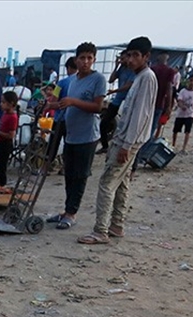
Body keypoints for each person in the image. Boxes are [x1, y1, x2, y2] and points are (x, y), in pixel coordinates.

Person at [78, 37, 156, 246]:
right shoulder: (139, 77)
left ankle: (100, 230)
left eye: (135, 56)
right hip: (125, 138)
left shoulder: (147, 78)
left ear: (146, 57)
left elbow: (141, 115)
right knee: (121, 182)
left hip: (129, 140)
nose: (130, 60)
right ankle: (116, 225)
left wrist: (127, 145)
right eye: (129, 55)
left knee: (107, 182)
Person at [49, 41, 106, 230]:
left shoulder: (98, 80)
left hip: (87, 136)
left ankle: (72, 213)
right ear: (76, 59)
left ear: (94, 60)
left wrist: (73, 101)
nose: (86, 62)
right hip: (70, 134)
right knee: (69, 174)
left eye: (90, 58)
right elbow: (60, 101)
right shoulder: (71, 80)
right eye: (82, 58)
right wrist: (52, 105)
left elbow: (98, 107)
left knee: (80, 176)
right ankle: (67, 210)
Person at [99, 51, 135, 152]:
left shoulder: (133, 71)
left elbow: (128, 85)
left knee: (123, 125)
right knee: (104, 122)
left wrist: (114, 91)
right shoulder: (122, 69)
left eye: (123, 59)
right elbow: (111, 80)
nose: (122, 61)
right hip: (117, 100)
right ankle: (105, 146)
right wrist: (116, 67)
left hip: (127, 100)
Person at [148, 54, 177, 138]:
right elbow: (169, 89)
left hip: (149, 103)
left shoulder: (152, 69)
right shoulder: (169, 71)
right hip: (159, 103)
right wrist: (168, 106)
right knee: (153, 128)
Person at [0, 91, 19, 186]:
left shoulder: (13, 117)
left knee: (2, 166)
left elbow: (11, 135)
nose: (1, 104)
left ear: (11, 104)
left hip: (5, 144)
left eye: (3, 102)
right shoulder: (5, 114)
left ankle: (2, 184)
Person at [173, 77, 193, 152]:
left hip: (190, 114)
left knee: (187, 131)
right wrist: (182, 106)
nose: (192, 82)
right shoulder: (183, 91)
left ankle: (184, 148)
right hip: (180, 114)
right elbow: (179, 100)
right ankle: (173, 145)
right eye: (191, 80)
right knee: (175, 131)